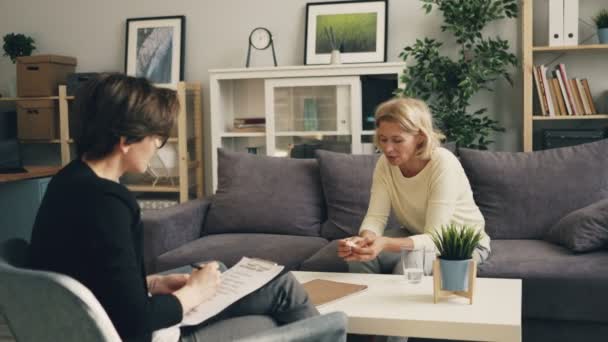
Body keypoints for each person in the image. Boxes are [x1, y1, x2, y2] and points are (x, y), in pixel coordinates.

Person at [27, 74, 330, 342]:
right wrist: (194, 292)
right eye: (157, 137)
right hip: (144, 333)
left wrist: (154, 283)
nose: (158, 145)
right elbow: (135, 321)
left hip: (92, 325)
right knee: (278, 301)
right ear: (126, 140)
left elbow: (93, 282)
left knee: (227, 276)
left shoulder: (68, 181)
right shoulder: (108, 204)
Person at [337, 97, 491, 275]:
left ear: (419, 137)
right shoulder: (385, 164)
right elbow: (375, 217)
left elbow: (436, 238)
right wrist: (364, 241)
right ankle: (365, 303)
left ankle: (396, 302)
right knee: (360, 257)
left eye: (397, 140)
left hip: (460, 243)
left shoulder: (442, 162)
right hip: (416, 235)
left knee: (410, 265)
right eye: (383, 139)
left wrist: (385, 243)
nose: (388, 149)